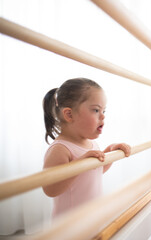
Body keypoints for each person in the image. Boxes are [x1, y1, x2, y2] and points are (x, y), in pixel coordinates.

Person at [42, 77, 131, 219]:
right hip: (70, 226)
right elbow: (50, 189)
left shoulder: (90, 143)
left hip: (92, 217)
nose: (103, 116)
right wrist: (80, 164)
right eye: (96, 110)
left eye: (104, 111)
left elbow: (95, 170)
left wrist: (110, 151)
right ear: (69, 115)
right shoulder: (60, 149)